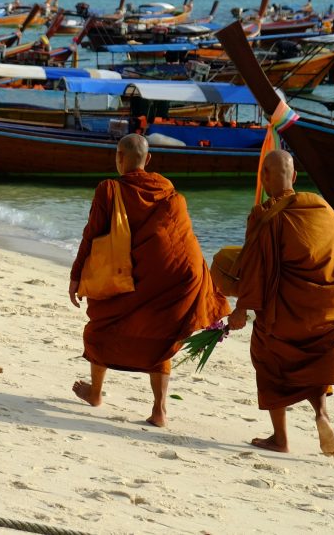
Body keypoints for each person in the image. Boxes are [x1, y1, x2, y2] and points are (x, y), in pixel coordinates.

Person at [69, 134, 229, 427]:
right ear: (149, 159)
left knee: (99, 329)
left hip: (139, 274)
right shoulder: (168, 190)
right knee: (161, 336)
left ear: (118, 158)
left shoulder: (109, 189)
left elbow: (91, 235)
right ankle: (159, 411)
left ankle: (95, 392)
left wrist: (76, 274)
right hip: (178, 275)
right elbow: (181, 239)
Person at [229, 150, 334, 456]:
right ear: (294, 177)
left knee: (268, 359)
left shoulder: (265, 215)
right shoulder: (323, 210)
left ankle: (280, 438)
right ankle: (321, 414)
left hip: (283, 317)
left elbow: (255, 270)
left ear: (265, 178)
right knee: (314, 366)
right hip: (326, 313)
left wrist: (241, 309)